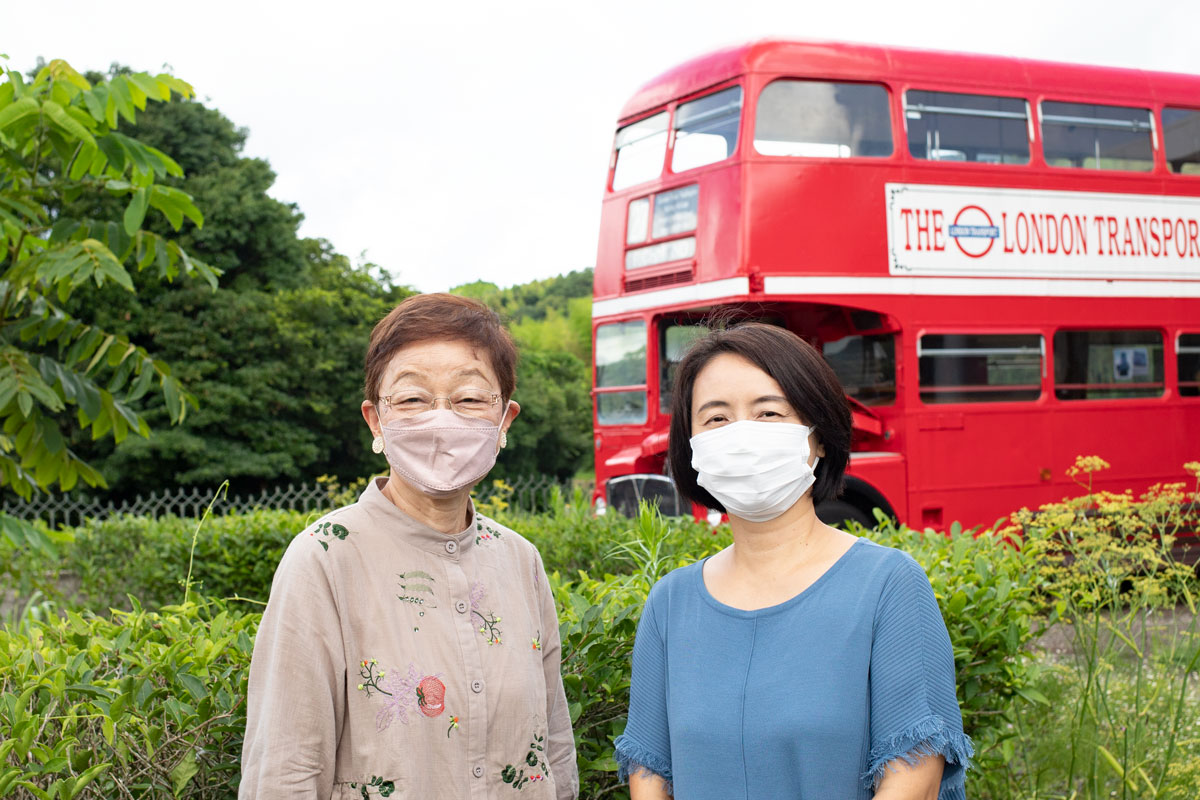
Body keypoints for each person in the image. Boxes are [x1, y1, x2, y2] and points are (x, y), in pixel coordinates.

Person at [614, 323, 972, 800]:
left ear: (818, 437)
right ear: (690, 445)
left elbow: (914, 778)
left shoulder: (888, 586)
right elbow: (649, 777)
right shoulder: (670, 602)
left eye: (768, 412)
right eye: (716, 418)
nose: (742, 434)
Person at [241, 293, 578, 800]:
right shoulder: (325, 559)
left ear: (504, 420)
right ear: (375, 420)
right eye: (412, 399)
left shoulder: (519, 560)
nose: (441, 420)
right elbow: (285, 771)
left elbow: (553, 747)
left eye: (469, 399)